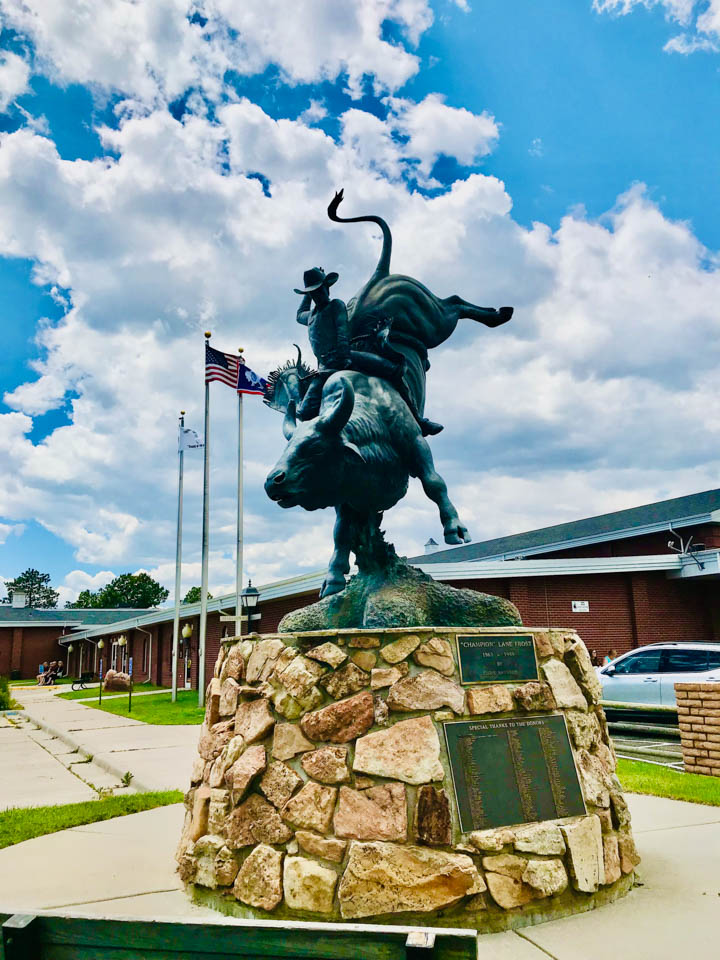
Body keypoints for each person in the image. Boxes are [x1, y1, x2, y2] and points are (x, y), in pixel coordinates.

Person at [294, 267, 443, 436]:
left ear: (327, 288)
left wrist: (344, 358)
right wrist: (308, 293)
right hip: (324, 369)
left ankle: (419, 420)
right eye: (314, 293)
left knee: (393, 370)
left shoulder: (336, 306)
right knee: (304, 412)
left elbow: (342, 332)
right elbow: (299, 314)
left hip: (346, 357)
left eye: (319, 290)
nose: (318, 295)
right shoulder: (310, 316)